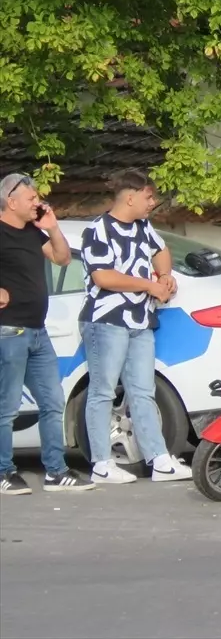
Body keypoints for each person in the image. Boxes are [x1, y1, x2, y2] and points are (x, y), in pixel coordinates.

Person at [79, 170, 192, 484]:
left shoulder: (144, 227)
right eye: (148, 196)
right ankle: (101, 464)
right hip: (106, 322)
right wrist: (149, 286)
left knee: (143, 392)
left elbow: (162, 251)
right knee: (102, 392)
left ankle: (159, 460)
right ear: (130, 197)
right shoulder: (97, 230)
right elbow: (103, 277)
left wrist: (165, 276)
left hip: (140, 321)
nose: (152, 203)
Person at [0, 173, 94, 495]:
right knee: (7, 406)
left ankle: (56, 471)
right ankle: (3, 472)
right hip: (8, 331)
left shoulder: (32, 232)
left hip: (38, 332)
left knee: (53, 402)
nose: (38, 203)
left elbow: (63, 258)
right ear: (11, 202)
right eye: (31, 199)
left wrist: (52, 226)